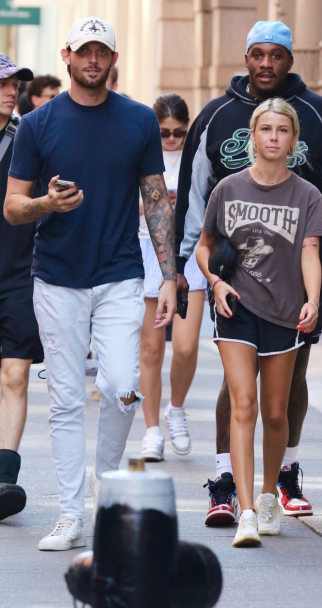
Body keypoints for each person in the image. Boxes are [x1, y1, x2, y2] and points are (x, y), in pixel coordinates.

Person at [4, 16, 177, 551]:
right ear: (67, 55)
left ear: (114, 59)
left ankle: (105, 489)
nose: (93, 60)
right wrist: (45, 205)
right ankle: (71, 513)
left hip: (121, 275)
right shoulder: (38, 123)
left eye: (102, 51)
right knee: (63, 402)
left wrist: (170, 277)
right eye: (85, 51)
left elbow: (155, 200)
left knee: (125, 387)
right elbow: (12, 207)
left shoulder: (139, 121)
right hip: (55, 279)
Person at [176, 20, 322, 525]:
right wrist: (189, 271)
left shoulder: (321, 116)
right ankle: (225, 479)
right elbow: (194, 199)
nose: (265, 64)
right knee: (237, 389)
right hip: (232, 275)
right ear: (247, 56)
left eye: (275, 55)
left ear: (289, 60)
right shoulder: (214, 116)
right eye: (257, 54)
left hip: (300, 270)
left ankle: (284, 474)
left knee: (289, 380)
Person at [197, 98, 322, 547]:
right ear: (253, 136)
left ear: (294, 140)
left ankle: (271, 493)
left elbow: (310, 250)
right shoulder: (228, 189)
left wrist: (314, 300)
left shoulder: (307, 194)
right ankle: (248, 511)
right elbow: (204, 246)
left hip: (285, 311)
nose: (273, 137)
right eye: (266, 129)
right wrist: (215, 282)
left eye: (282, 131)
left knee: (276, 413)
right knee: (243, 405)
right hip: (236, 307)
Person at [139, 94, 207, 461]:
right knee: (150, 349)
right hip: (147, 247)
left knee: (185, 346)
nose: (170, 139)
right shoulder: (142, 150)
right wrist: (157, 202)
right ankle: (151, 430)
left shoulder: (196, 154)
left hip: (189, 250)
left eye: (178, 132)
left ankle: (175, 409)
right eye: (164, 132)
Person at [0, 54, 44, 522]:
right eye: (4, 83)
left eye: (15, 83)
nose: (12, 90)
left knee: (14, 374)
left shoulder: (26, 139)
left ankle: (4, 478)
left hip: (18, 274)